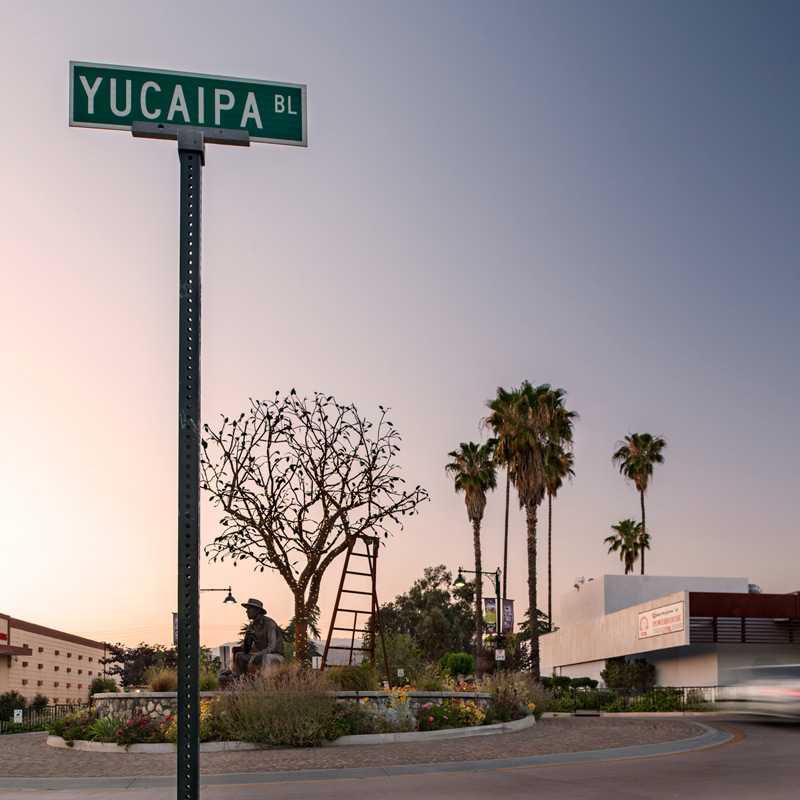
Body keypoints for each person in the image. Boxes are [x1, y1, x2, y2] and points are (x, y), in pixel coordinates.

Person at [233, 598, 285, 677]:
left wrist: (255, 656)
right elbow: (246, 651)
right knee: (239, 656)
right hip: (262, 657)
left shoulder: (269, 623)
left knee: (267, 657)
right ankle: (240, 682)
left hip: (276, 657)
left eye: (249, 609)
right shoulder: (251, 626)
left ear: (257, 611)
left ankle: (265, 684)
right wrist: (246, 638)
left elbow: (272, 648)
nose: (246, 611)